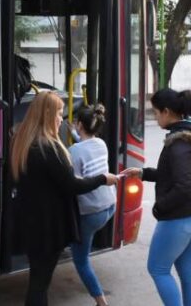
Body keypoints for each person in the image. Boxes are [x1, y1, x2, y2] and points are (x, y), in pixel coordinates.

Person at [10, 91, 117, 306]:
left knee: (37, 279)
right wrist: (103, 179)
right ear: (47, 115)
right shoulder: (48, 148)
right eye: (59, 113)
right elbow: (72, 185)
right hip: (48, 227)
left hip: (30, 222)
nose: (62, 118)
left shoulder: (22, 141)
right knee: (40, 284)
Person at [122, 88, 191, 306]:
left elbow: (182, 186)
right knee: (187, 268)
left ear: (167, 111)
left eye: (156, 112)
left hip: (180, 218)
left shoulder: (179, 144)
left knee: (158, 269)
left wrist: (159, 208)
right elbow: (175, 174)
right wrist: (143, 173)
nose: (155, 116)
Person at [68, 104, 115, 306]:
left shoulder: (73, 151)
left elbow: (73, 181)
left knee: (81, 261)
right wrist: (75, 134)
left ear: (79, 124)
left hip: (90, 213)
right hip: (108, 206)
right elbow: (85, 148)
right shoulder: (101, 144)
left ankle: (101, 302)